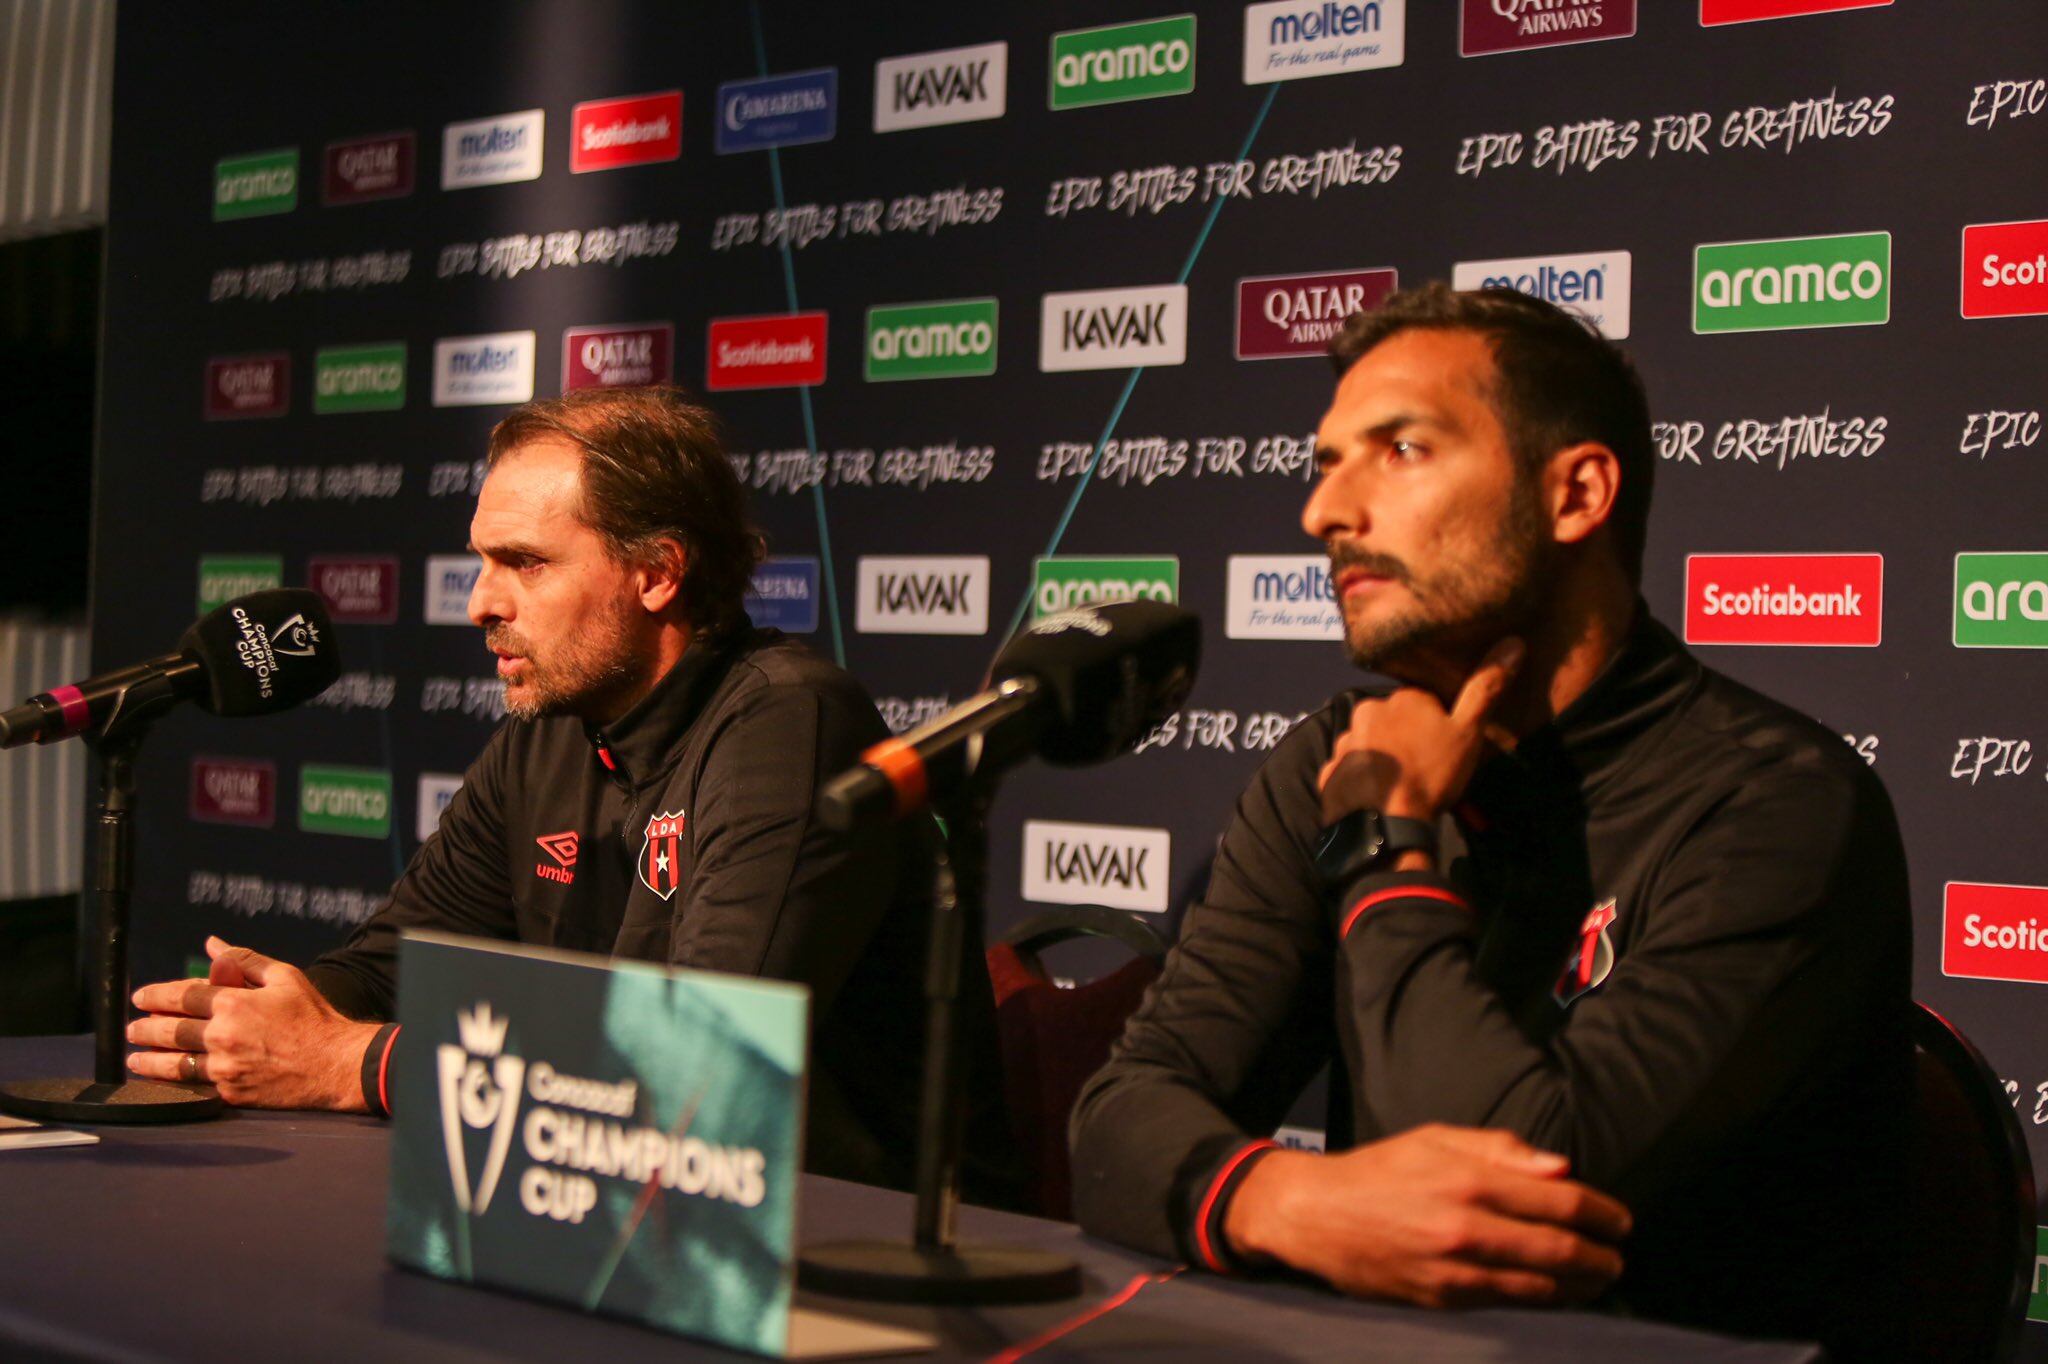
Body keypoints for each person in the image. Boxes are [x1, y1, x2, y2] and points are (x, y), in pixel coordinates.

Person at [1068, 284, 1910, 1355]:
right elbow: (1124, 1111)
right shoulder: (1339, 754)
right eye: (1325, 462)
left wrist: (1383, 843)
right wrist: (1282, 1201)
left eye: (1401, 449)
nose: (1323, 513)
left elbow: (1509, 1199)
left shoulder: (1777, 804)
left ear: (1575, 494)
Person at [126, 385, 1016, 1201]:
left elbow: (697, 1066)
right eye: (481, 561)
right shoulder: (547, 735)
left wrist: (343, 1062)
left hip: (854, 1244)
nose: (480, 602)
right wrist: (265, 1018)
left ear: (658, 572)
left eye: (525, 563)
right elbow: (390, 968)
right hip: (621, 1213)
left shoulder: (789, 724)